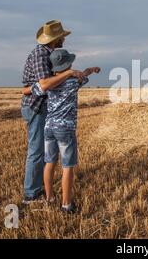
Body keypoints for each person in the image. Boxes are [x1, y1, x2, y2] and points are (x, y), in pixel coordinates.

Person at [23, 49, 100, 213]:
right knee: (67, 167)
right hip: (65, 129)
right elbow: (83, 74)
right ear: (69, 64)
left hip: (49, 127)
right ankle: (66, 204)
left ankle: (49, 198)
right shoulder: (73, 82)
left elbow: (27, 90)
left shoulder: (49, 84)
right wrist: (91, 70)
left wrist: (28, 88)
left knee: (49, 164)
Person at [21, 20, 85, 204]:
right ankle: (32, 195)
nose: (64, 39)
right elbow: (44, 84)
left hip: (46, 111)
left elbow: (34, 86)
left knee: (46, 155)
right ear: (55, 39)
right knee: (36, 151)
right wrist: (69, 73)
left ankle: (45, 192)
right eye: (62, 37)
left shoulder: (48, 53)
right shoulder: (41, 55)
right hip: (36, 107)